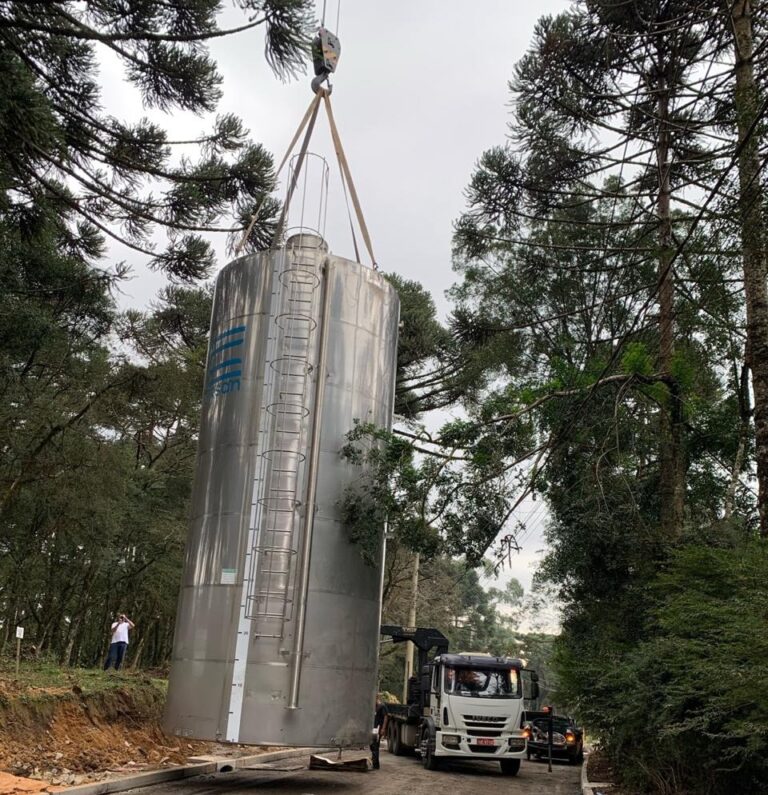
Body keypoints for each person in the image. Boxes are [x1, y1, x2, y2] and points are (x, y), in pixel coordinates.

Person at [370, 693, 388, 770]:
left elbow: (386, 717)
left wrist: (383, 729)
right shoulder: (374, 707)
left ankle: (376, 765)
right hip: (373, 729)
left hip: (378, 729)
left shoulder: (382, 706)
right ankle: (374, 761)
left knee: (375, 746)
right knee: (372, 746)